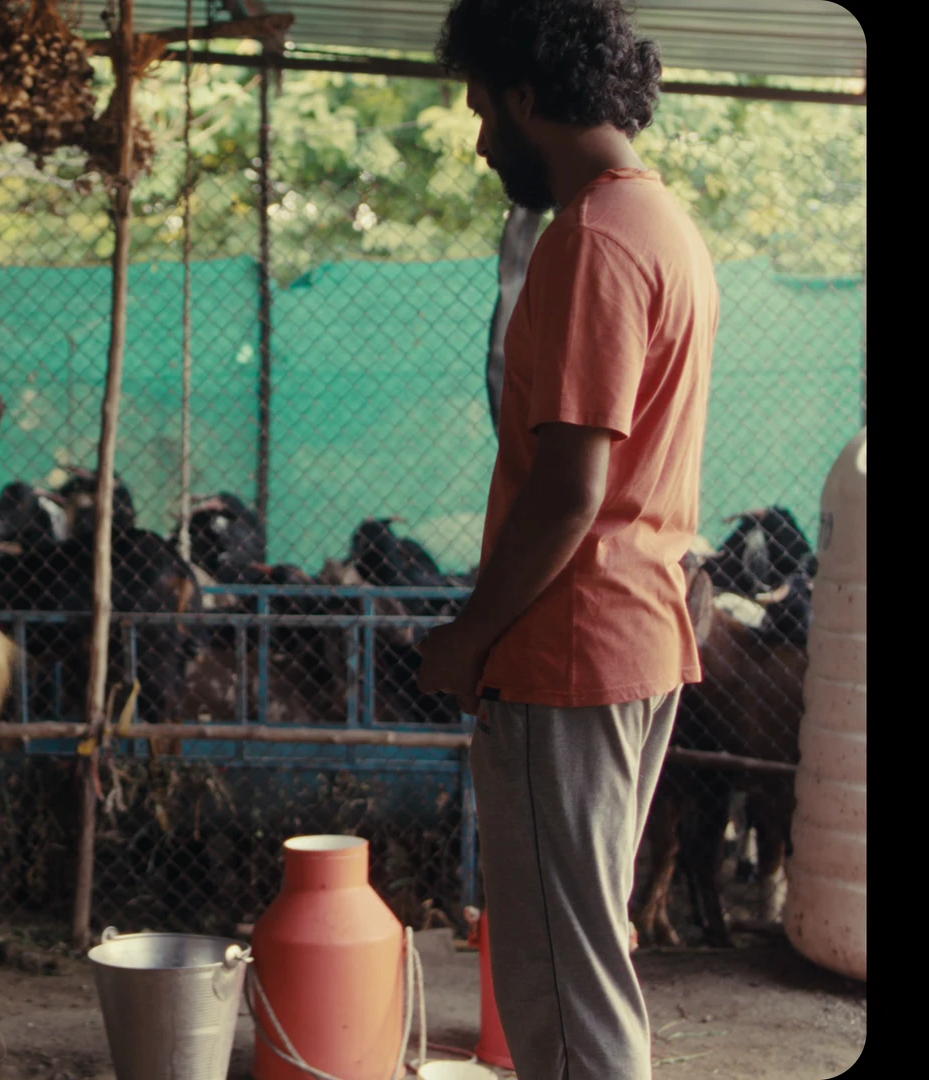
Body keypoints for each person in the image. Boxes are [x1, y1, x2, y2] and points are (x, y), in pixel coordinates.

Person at [416, 2, 715, 1078]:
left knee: (563, 996)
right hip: (631, 642)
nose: (480, 141)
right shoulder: (661, 224)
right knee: (582, 964)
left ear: (526, 96)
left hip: (568, 651)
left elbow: (570, 491)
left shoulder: (592, 240)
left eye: (481, 111)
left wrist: (468, 638)